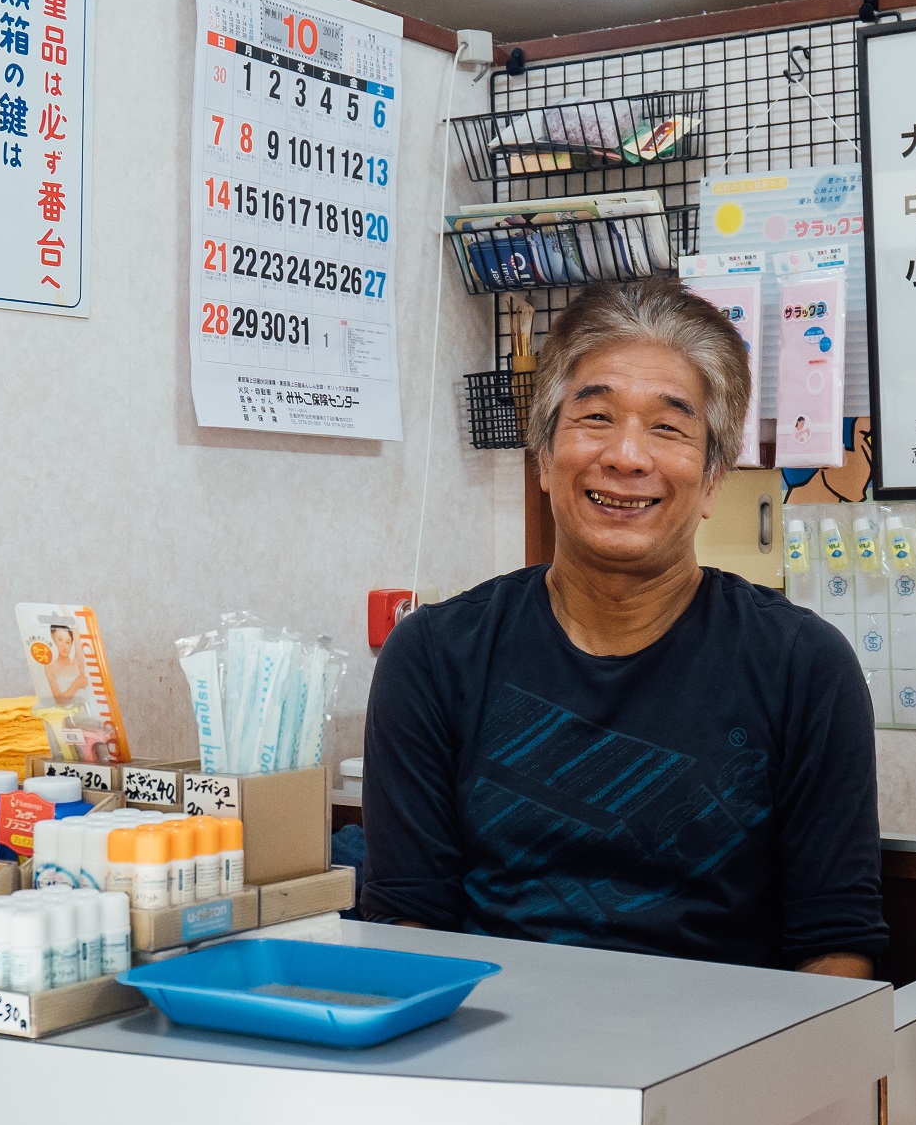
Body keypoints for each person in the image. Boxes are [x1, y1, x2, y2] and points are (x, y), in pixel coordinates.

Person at [363, 279, 883, 976]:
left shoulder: (801, 664)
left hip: (718, 1064)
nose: (628, 457)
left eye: (668, 428)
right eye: (597, 418)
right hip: (496, 1052)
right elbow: (407, 924)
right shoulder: (433, 655)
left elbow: (837, 943)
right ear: (544, 458)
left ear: (711, 481)